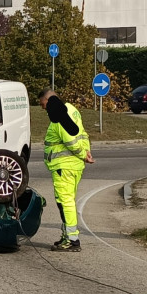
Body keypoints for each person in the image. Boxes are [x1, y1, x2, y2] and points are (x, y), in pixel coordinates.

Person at [38, 88, 94, 252]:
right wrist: (86, 151)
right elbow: (82, 134)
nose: (43, 108)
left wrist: (83, 154)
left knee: (65, 202)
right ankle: (67, 236)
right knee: (67, 201)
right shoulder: (72, 110)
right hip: (73, 165)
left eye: (43, 104)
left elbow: (70, 140)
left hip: (64, 166)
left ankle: (72, 240)